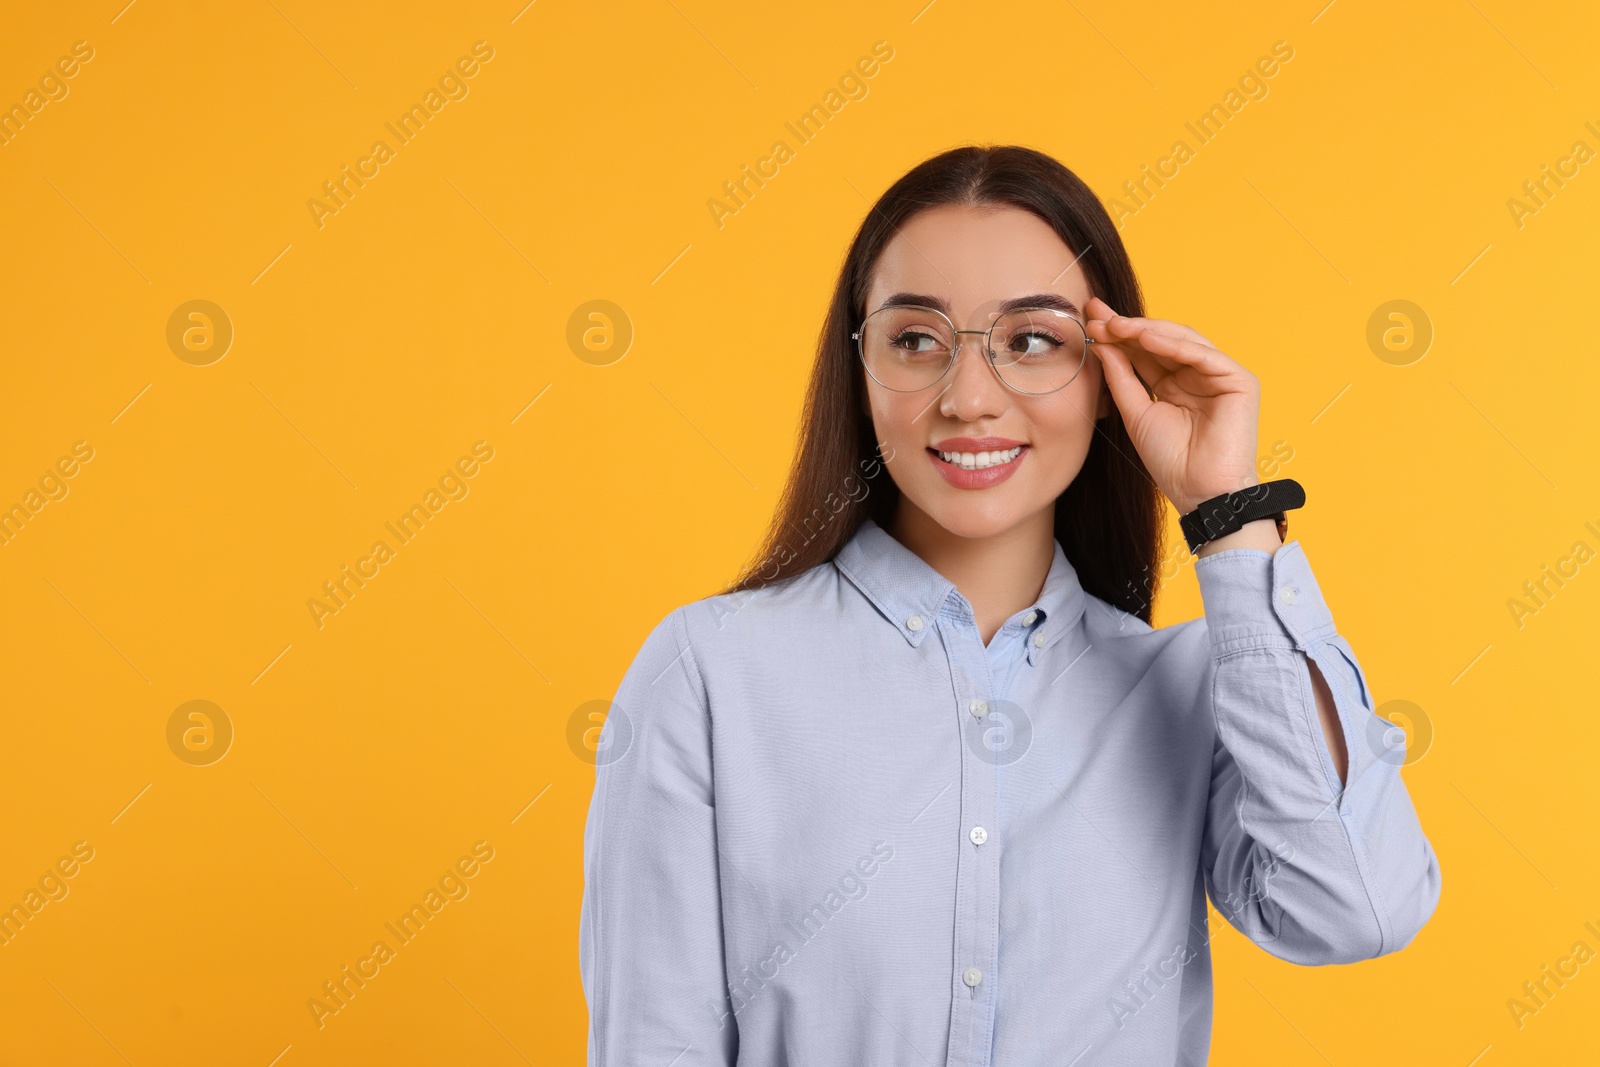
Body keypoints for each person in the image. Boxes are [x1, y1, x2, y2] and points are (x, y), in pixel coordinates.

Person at [579, 144, 1440, 1066]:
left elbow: (1354, 904)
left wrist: (1225, 510)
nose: (969, 398)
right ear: (860, 370)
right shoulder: (709, 674)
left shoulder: (1195, 690)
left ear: (1112, 380)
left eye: (1032, 340)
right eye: (916, 339)